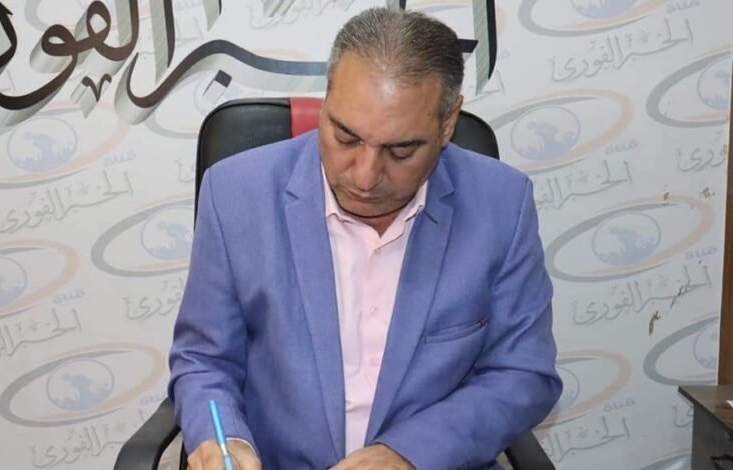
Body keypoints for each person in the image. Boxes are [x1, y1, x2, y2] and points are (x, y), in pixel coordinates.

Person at [168, 7, 562, 470]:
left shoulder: (502, 205)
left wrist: (407, 454)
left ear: (448, 123)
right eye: (346, 137)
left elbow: (522, 373)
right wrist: (224, 440)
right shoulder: (235, 194)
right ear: (327, 102)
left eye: (401, 150)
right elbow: (204, 361)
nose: (365, 176)